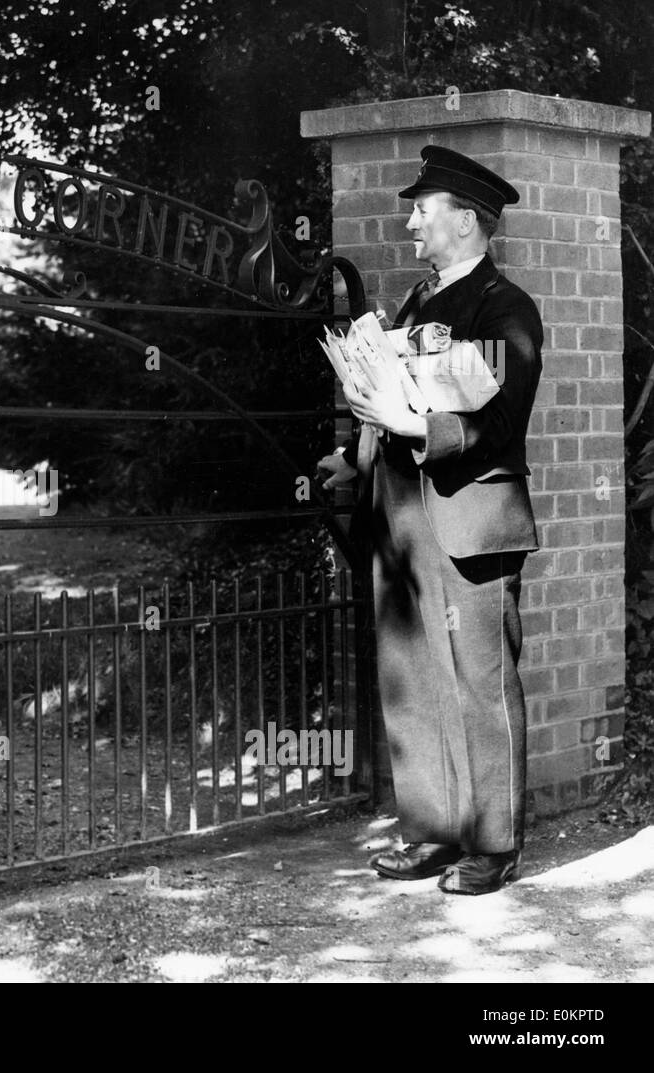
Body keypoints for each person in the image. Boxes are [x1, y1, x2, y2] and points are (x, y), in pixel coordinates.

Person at [316, 145, 544, 895]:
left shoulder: (505, 308)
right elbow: (391, 394)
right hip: (405, 519)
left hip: (471, 520)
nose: (410, 221)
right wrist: (358, 454)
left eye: (423, 209)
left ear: (468, 221)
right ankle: (433, 832)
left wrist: (413, 428)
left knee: (478, 681)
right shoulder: (417, 301)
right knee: (414, 679)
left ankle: (494, 843)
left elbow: (499, 422)